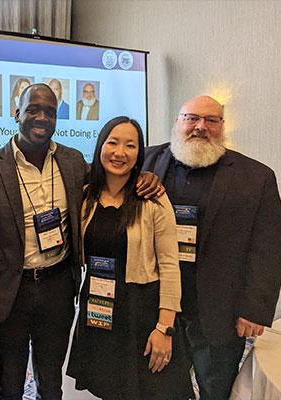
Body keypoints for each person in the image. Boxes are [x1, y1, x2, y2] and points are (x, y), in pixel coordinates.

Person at [0, 84, 163, 400]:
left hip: (58, 287)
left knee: (51, 380)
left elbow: (113, 180)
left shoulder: (72, 163)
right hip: (10, 292)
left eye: (50, 112)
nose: (41, 117)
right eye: (33, 110)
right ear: (17, 113)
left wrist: (146, 176)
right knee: (10, 381)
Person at [143, 95, 281, 400]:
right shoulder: (144, 163)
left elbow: (269, 248)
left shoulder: (256, 177)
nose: (200, 127)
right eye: (191, 118)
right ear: (177, 122)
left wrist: (254, 310)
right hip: (155, 305)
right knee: (160, 386)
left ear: (222, 126)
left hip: (217, 312)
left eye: (211, 120)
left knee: (215, 388)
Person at [66, 116, 194, 399]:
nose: (119, 152)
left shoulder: (153, 199)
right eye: (112, 142)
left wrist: (164, 328)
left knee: (145, 389)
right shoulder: (86, 196)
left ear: (139, 154)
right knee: (108, 387)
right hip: (99, 306)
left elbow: (171, 267)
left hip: (141, 309)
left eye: (130, 145)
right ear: (100, 146)